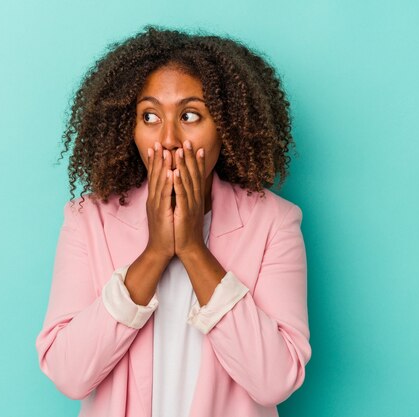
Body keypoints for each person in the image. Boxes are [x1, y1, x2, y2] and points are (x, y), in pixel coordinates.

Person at [35, 25, 311, 417]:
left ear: (226, 127)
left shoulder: (274, 223)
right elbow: (69, 375)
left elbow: (274, 381)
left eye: (190, 115)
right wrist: (156, 252)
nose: (167, 138)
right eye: (149, 116)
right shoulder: (88, 219)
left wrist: (195, 249)